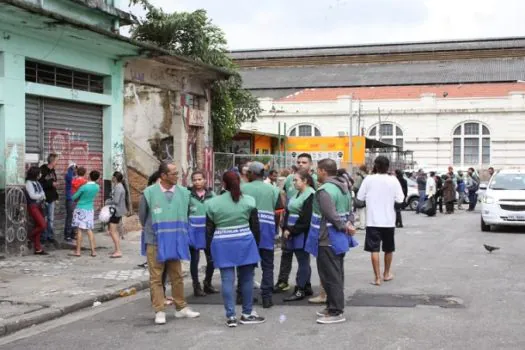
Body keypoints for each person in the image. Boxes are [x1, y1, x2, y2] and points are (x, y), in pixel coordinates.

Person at [139, 162, 200, 325]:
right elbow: (143, 218)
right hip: (155, 241)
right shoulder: (149, 193)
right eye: (173, 173)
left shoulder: (184, 193)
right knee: (156, 278)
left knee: (177, 276)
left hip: (176, 240)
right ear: (163, 176)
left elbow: (186, 214)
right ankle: (159, 310)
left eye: (177, 173)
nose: (177, 176)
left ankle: (181, 308)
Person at [206, 171, 265, 327]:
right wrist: (256, 245)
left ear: (223, 184)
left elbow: (209, 230)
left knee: (227, 280)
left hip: (222, 242)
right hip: (245, 241)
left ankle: (231, 317)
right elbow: (255, 227)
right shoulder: (249, 201)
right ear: (239, 182)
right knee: (247, 279)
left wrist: (209, 250)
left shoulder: (212, 203)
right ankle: (247, 314)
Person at [304, 158, 355, 324]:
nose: (316, 173)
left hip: (328, 238)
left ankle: (335, 311)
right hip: (339, 239)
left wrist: (343, 226)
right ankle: (331, 306)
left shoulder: (325, 191)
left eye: (317, 170)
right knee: (336, 273)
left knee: (330, 275)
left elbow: (331, 215)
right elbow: (350, 211)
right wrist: (348, 225)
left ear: (323, 171)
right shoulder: (344, 188)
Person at [356, 156, 404, 286]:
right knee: (388, 249)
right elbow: (400, 200)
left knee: (374, 250)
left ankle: (377, 278)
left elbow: (359, 198)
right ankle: (386, 274)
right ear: (388, 166)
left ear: (375, 166)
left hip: (372, 221)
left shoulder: (368, 179)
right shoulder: (393, 180)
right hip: (388, 221)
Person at [241, 162, 283, 309]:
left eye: (248, 172)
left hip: (247, 229)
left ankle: (242, 295)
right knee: (267, 265)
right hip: (267, 230)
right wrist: (276, 231)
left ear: (252, 174)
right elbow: (278, 211)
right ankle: (267, 297)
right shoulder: (273, 190)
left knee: (246, 264)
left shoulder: (242, 188)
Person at [281, 169, 315, 302]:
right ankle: (306, 286)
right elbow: (289, 211)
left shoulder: (310, 195)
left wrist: (291, 230)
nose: (293, 182)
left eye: (296, 180)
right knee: (303, 261)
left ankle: (300, 289)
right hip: (293, 231)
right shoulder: (298, 194)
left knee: (302, 261)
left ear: (305, 181)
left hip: (301, 232)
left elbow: (306, 219)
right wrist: (286, 228)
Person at [188, 170, 218, 297]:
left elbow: (217, 213)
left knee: (212, 260)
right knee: (194, 260)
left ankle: (207, 283)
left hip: (208, 232)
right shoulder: (188, 196)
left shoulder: (212, 195)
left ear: (205, 180)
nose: (197, 182)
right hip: (193, 232)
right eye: (194, 180)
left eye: (200, 179)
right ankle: (196, 286)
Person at [70, 170, 101, 258]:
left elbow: (74, 197)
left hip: (81, 208)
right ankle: (93, 251)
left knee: (79, 230)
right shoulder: (97, 187)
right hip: (90, 209)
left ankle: (78, 251)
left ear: (89, 176)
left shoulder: (84, 187)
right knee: (89, 230)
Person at [25, 166, 48, 255]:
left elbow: (43, 193)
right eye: (39, 173)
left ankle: (38, 249)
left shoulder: (37, 182)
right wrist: (41, 196)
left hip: (39, 206)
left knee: (38, 225)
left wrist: (41, 195)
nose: (41, 174)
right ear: (36, 174)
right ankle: (29, 236)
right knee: (43, 225)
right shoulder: (29, 183)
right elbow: (32, 196)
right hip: (33, 206)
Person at [106, 171, 128, 258]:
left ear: (115, 178)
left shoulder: (118, 187)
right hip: (117, 211)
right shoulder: (118, 186)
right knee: (114, 231)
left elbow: (116, 201)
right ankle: (117, 249)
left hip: (116, 211)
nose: (111, 178)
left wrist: (107, 202)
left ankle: (118, 251)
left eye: (112, 177)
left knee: (112, 231)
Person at [39, 153, 59, 247]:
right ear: (52, 161)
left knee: (51, 219)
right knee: (44, 218)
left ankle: (50, 237)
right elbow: (40, 185)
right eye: (56, 160)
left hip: (52, 198)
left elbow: (54, 184)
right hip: (44, 198)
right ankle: (43, 237)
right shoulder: (43, 170)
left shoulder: (53, 171)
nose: (57, 162)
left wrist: (56, 197)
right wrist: (51, 185)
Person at [64, 162, 76, 242]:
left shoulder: (73, 175)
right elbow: (72, 179)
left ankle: (72, 234)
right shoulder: (69, 175)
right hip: (70, 198)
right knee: (70, 217)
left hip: (74, 198)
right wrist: (71, 169)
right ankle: (68, 235)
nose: (75, 169)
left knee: (73, 217)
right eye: (74, 167)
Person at [353, 165, 368, 230]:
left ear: (361, 170)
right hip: (367, 195)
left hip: (361, 195)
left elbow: (356, 187)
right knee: (365, 210)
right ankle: (365, 224)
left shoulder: (360, 177)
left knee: (361, 210)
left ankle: (362, 225)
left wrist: (352, 188)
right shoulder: (369, 176)